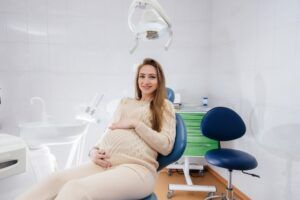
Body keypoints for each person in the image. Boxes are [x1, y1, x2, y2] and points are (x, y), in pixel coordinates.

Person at [16, 58, 176, 200]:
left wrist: (136, 124)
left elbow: (166, 146)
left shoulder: (164, 106)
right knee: (54, 180)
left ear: (159, 81)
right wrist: (93, 150)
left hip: (136, 169)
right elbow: (109, 131)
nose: (146, 81)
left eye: (152, 77)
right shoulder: (125, 103)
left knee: (75, 189)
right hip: (104, 164)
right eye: (142, 76)